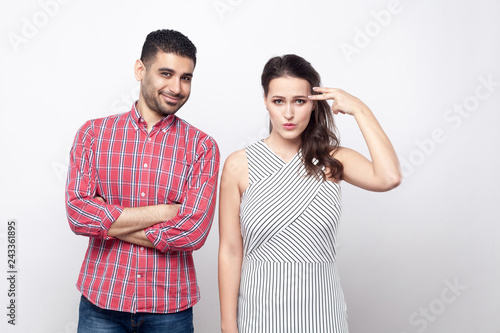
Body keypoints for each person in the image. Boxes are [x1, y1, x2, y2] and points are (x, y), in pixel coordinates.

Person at [218, 54, 402, 333]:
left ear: (314, 105)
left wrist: (360, 109)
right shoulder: (238, 165)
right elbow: (231, 251)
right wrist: (228, 326)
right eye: (278, 101)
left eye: (299, 101)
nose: (288, 114)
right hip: (259, 315)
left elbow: (389, 177)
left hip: (321, 315)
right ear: (266, 102)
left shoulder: (332, 160)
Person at [66, 29, 220, 333]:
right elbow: (78, 215)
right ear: (140, 70)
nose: (176, 87)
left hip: (170, 310)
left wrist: (107, 219)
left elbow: (192, 233)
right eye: (166, 73)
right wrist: (166, 212)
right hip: (101, 302)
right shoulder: (93, 135)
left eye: (186, 77)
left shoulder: (203, 147)